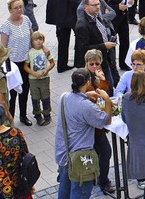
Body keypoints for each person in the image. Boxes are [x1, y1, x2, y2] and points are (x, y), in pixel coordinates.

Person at [55, 69, 112, 199]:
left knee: (64, 190)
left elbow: (75, 98)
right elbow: (105, 120)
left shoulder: (63, 97)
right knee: (80, 193)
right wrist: (107, 99)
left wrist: (86, 95)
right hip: (80, 158)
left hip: (64, 153)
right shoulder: (86, 106)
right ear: (88, 82)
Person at [0, 100, 32, 198]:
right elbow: (26, 158)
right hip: (21, 184)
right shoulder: (16, 132)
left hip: (3, 192)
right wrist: (29, 183)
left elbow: (1, 176)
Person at [81, 50, 115, 194]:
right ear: (86, 64)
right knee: (105, 152)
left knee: (98, 152)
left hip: (95, 121)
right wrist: (101, 81)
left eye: (97, 64)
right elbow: (96, 97)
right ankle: (103, 181)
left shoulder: (94, 76)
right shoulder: (86, 79)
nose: (95, 66)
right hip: (91, 125)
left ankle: (96, 177)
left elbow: (105, 94)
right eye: (92, 64)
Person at [0, 0, 34, 126]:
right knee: (13, 92)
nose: (19, 10)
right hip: (13, 63)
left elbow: (32, 36)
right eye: (16, 8)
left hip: (26, 60)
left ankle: (24, 115)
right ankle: (11, 118)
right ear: (10, 10)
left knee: (25, 89)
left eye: (21, 7)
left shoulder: (26, 20)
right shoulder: (6, 25)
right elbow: (3, 46)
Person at [46, 0, 81, 72]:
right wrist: (81, 8)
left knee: (63, 41)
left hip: (59, 14)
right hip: (70, 15)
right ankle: (78, 62)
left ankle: (61, 65)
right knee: (80, 36)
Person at [75, 0, 117, 88]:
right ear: (86, 7)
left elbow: (103, 31)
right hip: (94, 64)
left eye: (98, 4)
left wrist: (111, 36)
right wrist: (104, 46)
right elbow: (83, 48)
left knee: (110, 84)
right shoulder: (82, 25)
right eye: (94, 5)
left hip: (104, 58)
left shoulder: (97, 16)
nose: (98, 7)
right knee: (103, 87)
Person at [100, 0, 135, 71]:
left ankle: (123, 63)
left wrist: (131, 3)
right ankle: (111, 63)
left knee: (125, 40)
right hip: (113, 19)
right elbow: (102, 3)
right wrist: (116, 7)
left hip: (124, 17)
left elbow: (127, 0)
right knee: (113, 41)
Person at [23, 31, 54, 126]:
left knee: (45, 96)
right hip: (33, 79)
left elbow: (52, 63)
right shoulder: (30, 53)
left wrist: (47, 70)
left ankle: (47, 113)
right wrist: (33, 73)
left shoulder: (46, 51)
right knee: (35, 97)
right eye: (36, 40)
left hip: (44, 78)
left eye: (41, 39)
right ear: (32, 41)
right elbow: (26, 66)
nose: (39, 42)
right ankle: (37, 114)